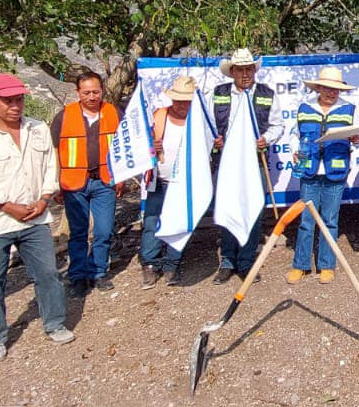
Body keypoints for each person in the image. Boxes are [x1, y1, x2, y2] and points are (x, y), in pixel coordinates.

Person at [0, 72, 72, 362]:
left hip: (35, 217)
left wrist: (45, 197)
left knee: (48, 274)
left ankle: (54, 323)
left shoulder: (37, 129)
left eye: (19, 100)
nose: (15, 106)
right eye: (8, 101)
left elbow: (50, 165)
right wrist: (6, 205)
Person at [50, 71, 123, 296]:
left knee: (103, 230)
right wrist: (56, 185)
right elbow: (54, 152)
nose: (92, 97)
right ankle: (78, 275)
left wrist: (121, 179)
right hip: (74, 184)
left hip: (105, 181)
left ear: (102, 90)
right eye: (86, 92)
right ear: (77, 93)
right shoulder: (64, 116)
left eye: (96, 92)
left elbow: (123, 148)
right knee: (79, 232)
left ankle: (99, 272)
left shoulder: (113, 112)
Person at [287, 66, 359, 284]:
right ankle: (300, 265)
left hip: (335, 172)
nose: (332, 93)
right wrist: (294, 148)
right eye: (328, 88)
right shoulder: (304, 107)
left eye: (336, 90)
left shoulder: (349, 109)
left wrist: (357, 140)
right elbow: (294, 134)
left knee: (330, 221)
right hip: (309, 171)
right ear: (319, 87)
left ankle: (326, 265)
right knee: (306, 221)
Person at [211, 48, 277, 283]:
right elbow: (209, 125)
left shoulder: (266, 94)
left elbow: (277, 125)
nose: (246, 74)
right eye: (241, 69)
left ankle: (247, 262)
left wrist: (266, 139)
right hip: (227, 161)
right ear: (233, 72)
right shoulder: (218, 93)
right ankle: (228, 261)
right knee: (227, 208)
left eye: (249, 69)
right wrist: (214, 139)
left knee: (254, 209)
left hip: (255, 161)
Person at [138, 74, 199, 288]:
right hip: (160, 179)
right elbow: (142, 145)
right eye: (179, 100)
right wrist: (150, 148)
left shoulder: (197, 120)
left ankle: (172, 265)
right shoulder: (159, 116)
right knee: (152, 221)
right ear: (172, 99)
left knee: (180, 224)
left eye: (187, 100)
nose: (182, 105)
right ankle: (150, 264)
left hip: (184, 183)